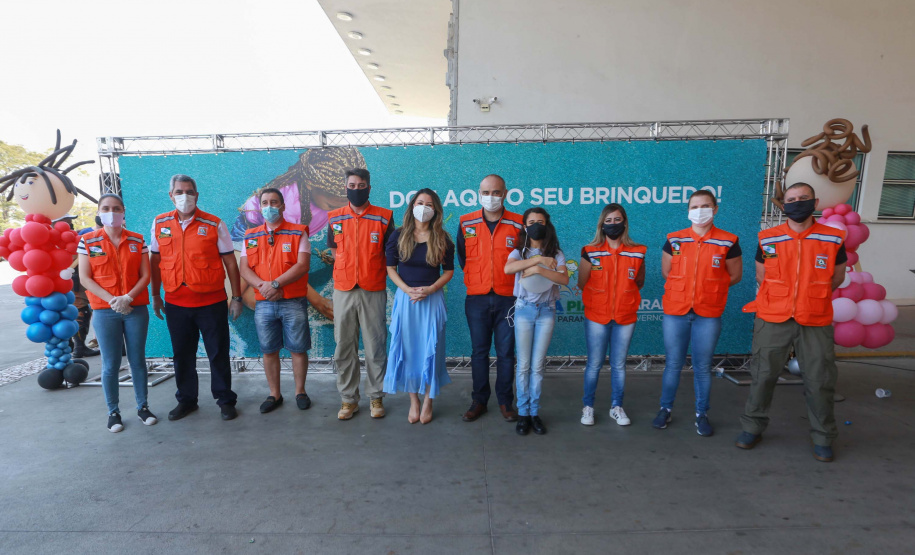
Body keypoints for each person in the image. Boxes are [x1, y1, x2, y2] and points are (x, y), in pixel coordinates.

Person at [737, 182, 846, 462]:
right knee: (763, 375)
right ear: (784, 206)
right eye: (792, 199)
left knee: (820, 380)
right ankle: (752, 427)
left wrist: (809, 296)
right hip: (773, 316)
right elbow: (762, 276)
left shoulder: (833, 238)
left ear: (815, 201)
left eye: (803, 198)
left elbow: (837, 278)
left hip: (815, 317)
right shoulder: (768, 238)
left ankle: (823, 437)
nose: (798, 203)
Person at [150, 174, 244, 422]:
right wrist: (155, 296)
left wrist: (237, 297)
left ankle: (225, 400)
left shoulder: (214, 224)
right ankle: (187, 400)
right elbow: (155, 261)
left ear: (197, 195)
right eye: (179, 192)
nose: (184, 196)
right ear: (171, 195)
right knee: (182, 355)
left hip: (211, 302)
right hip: (176, 303)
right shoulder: (159, 223)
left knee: (218, 354)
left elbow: (230, 263)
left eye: (189, 191)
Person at [652, 190, 743, 436]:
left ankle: (701, 414)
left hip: (708, 312)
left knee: (702, 367)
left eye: (705, 205)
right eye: (695, 206)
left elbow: (735, 275)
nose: (699, 210)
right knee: (673, 364)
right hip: (676, 311)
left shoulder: (728, 240)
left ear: (715, 209)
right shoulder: (674, 239)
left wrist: (710, 287)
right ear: (688, 210)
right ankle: (665, 409)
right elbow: (666, 272)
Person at [77, 194, 155, 432]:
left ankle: (143, 407)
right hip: (105, 311)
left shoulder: (138, 240)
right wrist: (113, 300)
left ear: (123, 212)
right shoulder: (87, 241)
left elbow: (145, 275)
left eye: (116, 208)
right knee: (110, 364)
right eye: (106, 208)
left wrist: (128, 298)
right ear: (99, 212)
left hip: (135, 308)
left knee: (137, 361)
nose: (111, 212)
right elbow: (84, 278)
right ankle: (113, 412)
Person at [238, 187, 312, 414]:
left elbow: (302, 265)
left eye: (274, 202)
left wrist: (276, 284)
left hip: (293, 301)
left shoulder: (298, 232)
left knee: (298, 349)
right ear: (260, 207)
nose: (269, 207)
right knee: (269, 351)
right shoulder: (250, 235)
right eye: (265, 203)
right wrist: (263, 286)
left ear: (283, 206)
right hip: (264, 302)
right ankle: (274, 394)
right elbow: (244, 267)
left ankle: (300, 391)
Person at [383, 189, 455, 424]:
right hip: (407, 300)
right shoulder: (398, 235)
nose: (424, 207)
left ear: (436, 211)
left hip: (431, 300)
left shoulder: (442, 238)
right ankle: (413, 400)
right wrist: (406, 290)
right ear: (412, 205)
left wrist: (431, 289)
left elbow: (449, 271)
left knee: (430, 351)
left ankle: (428, 401)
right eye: (420, 202)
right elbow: (390, 268)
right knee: (408, 351)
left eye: (429, 204)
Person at [327, 168, 394, 420]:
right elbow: (334, 251)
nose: (356, 189)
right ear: (345, 187)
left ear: (369, 187)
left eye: (361, 185)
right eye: (352, 185)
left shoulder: (384, 217)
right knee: (344, 345)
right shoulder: (334, 217)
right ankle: (348, 400)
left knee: (375, 344)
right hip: (343, 289)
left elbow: (390, 254)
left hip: (373, 288)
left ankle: (376, 397)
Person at [457, 174, 524, 423]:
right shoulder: (466, 222)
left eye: (496, 192)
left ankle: (506, 401)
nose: (491, 197)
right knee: (479, 353)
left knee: (506, 353)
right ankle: (479, 401)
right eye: (486, 192)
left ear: (505, 194)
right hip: (477, 298)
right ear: (479, 193)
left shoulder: (519, 223)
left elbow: (525, 257)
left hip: (510, 298)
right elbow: (463, 258)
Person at [578, 204, 646, 426]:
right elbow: (582, 282)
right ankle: (588, 407)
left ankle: (616, 407)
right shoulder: (590, 250)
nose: (613, 224)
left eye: (617, 220)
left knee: (618, 365)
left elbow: (639, 282)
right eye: (608, 220)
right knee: (594, 364)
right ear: (602, 224)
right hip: (597, 315)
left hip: (625, 316)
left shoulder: (638, 251)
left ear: (625, 222)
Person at [504, 207, 569, 436]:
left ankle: (534, 412)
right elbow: (508, 268)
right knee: (523, 365)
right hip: (524, 311)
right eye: (531, 221)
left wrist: (536, 270)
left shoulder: (557, 253)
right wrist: (538, 262)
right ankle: (522, 413)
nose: (535, 225)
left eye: (540, 221)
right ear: (525, 226)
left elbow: (563, 278)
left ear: (547, 225)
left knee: (538, 365)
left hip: (547, 311)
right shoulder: (519, 252)